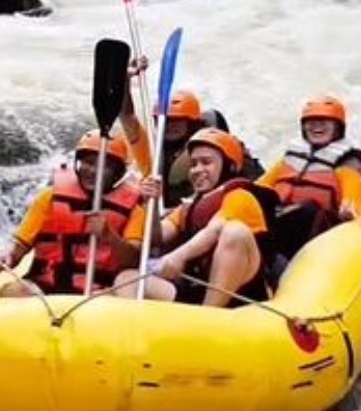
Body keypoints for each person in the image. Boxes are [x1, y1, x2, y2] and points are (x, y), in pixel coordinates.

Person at [115, 128, 278, 308]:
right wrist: (151, 204)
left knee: (235, 232)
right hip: (199, 289)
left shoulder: (241, 196)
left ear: (229, 166)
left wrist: (178, 257)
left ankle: (209, 315)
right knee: (127, 279)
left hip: (241, 294)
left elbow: (215, 229)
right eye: (193, 164)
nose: (197, 170)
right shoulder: (189, 207)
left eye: (206, 162)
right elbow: (157, 237)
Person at [0, 130, 154, 297]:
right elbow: (20, 245)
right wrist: (7, 256)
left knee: (112, 299)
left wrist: (109, 235)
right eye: (88, 163)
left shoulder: (134, 209)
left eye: (104, 166)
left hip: (98, 292)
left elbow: (133, 260)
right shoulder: (49, 198)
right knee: (18, 291)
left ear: (118, 173)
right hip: (45, 285)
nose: (93, 171)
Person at [120, 62, 264, 206]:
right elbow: (126, 116)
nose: (170, 126)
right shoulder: (151, 149)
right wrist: (125, 79)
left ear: (192, 123)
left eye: (177, 121)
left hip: (215, 205)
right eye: (165, 121)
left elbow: (251, 176)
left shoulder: (220, 144)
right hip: (167, 213)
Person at [258, 97, 361, 270]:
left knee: (307, 210)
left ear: (338, 127)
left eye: (324, 121)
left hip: (317, 231)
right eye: (311, 122)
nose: (317, 126)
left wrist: (350, 211)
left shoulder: (347, 163)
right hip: (280, 222)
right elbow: (258, 188)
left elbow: (354, 198)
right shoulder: (291, 159)